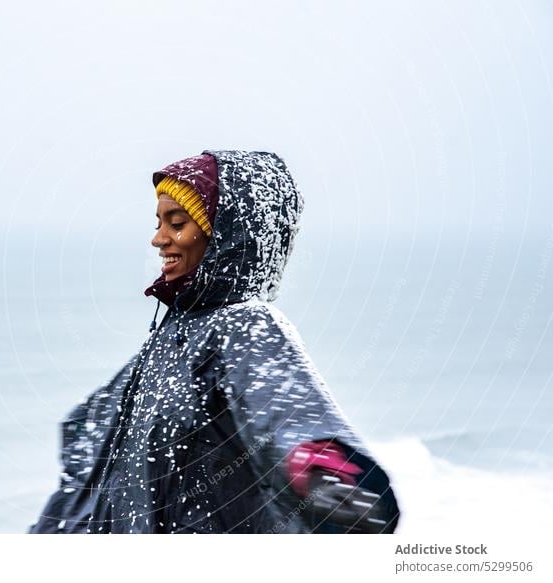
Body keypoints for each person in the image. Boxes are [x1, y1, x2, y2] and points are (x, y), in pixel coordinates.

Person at [29, 150, 400, 534]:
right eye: (159, 222)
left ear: (226, 233)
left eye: (177, 223)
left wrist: (319, 473)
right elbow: (90, 439)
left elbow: (284, 411)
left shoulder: (243, 324)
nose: (158, 239)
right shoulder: (168, 340)